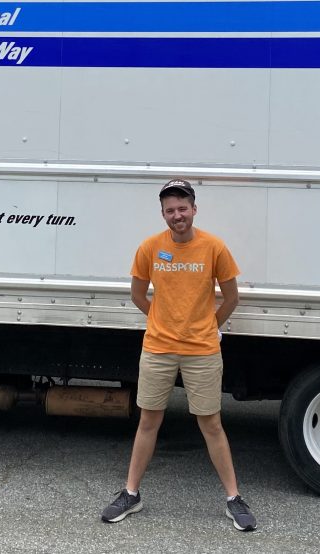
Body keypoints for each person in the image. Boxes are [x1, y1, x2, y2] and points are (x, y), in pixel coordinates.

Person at [101, 179, 256, 531]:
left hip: (202, 350)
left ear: (194, 209)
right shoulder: (150, 248)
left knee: (211, 424)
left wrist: (208, 326)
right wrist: (160, 319)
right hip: (158, 348)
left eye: (182, 208)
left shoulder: (214, 247)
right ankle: (131, 493)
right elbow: (138, 293)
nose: (177, 215)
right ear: (163, 214)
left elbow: (231, 298)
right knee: (148, 421)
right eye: (170, 210)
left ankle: (234, 498)